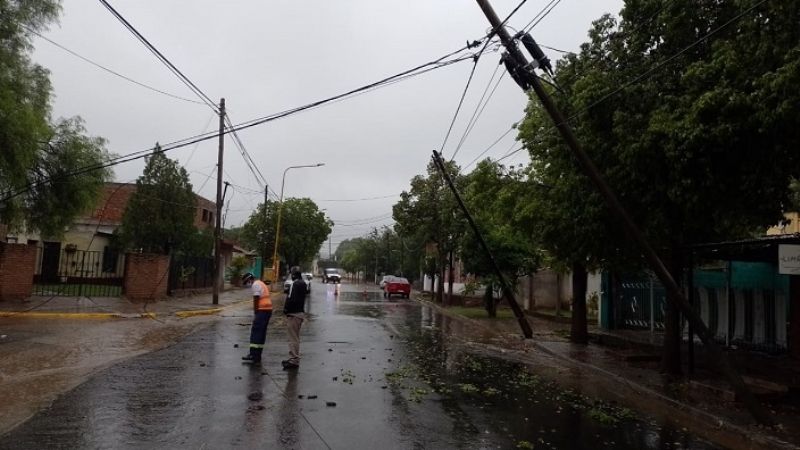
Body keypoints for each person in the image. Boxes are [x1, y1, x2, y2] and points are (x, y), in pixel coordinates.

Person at [241, 272, 272, 365]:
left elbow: (256, 299)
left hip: (262, 311)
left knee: (256, 333)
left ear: (250, 279)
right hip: (267, 310)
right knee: (261, 334)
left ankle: (253, 355)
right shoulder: (261, 283)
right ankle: (257, 356)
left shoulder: (255, 284)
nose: (247, 284)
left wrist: (256, 312)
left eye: (246, 282)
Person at [282, 266, 307, 369]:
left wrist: (286, 309)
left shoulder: (294, 284)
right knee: (295, 337)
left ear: (293, 275)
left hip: (293, 314)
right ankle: (294, 358)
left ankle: (294, 360)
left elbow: (290, 298)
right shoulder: (303, 284)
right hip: (300, 313)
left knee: (292, 338)